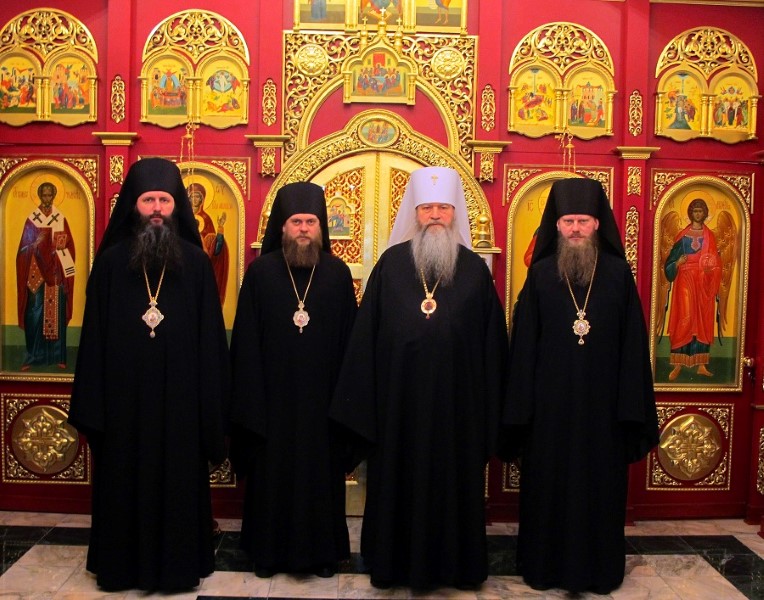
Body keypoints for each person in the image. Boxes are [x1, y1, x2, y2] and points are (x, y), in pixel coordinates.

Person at [330, 166, 508, 590]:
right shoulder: (391, 266)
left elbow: (492, 350)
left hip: (457, 412)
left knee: (453, 487)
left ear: (454, 212)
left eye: (443, 208)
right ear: (414, 212)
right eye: (427, 208)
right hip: (397, 410)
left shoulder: (474, 271)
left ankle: (455, 567)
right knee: (397, 483)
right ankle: (391, 564)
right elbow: (365, 341)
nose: (434, 216)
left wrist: (489, 414)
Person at [67, 157, 230, 592]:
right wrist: (95, 407)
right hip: (124, 408)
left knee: (179, 486)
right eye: (148, 200)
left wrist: (210, 406)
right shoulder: (109, 265)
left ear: (177, 207)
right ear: (133, 206)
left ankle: (178, 569)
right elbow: (94, 341)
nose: (157, 208)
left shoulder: (196, 264)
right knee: (123, 483)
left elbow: (211, 342)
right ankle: (120, 569)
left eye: (165, 200)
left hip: (181, 407)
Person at [502, 177, 658, 595]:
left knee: (599, 490)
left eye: (583, 221)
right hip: (549, 413)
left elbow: (633, 346)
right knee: (548, 489)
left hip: (603, 412)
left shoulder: (618, 274)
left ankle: (600, 570)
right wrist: (521, 410)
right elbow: (524, 348)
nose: (575, 228)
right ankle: (543, 568)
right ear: (556, 224)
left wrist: (629, 409)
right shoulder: (539, 275)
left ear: (597, 224)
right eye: (568, 220)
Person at [229, 181, 357, 578]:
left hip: (323, 404)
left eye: (311, 222)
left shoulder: (337, 274)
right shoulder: (261, 273)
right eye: (296, 221)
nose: (303, 229)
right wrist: (251, 399)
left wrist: (343, 402)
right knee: (272, 477)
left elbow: (350, 343)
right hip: (271, 403)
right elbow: (245, 341)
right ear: (282, 227)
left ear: (321, 228)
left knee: (321, 478)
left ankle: (323, 555)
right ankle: (267, 555)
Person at [16, 181, 75, 370]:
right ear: (40, 196)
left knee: (56, 311)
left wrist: (60, 249)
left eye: (50, 195)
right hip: (35, 273)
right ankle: (32, 357)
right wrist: (34, 244)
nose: (47, 198)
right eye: (44, 195)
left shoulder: (60, 218)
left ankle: (58, 356)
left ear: (54, 196)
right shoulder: (32, 220)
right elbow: (22, 249)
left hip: (55, 272)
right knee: (33, 313)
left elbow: (69, 248)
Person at [664, 198, 721, 381]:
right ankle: (678, 364)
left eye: (700, 211)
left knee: (702, 320)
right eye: (695, 211)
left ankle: (701, 365)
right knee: (685, 317)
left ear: (705, 213)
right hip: (685, 280)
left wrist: (710, 270)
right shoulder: (682, 235)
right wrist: (677, 263)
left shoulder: (710, 236)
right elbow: (669, 263)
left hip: (703, 283)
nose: (697, 214)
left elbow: (716, 262)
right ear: (690, 213)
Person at [187, 182, 229, 304]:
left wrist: (220, 229)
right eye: (192, 196)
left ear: (202, 199)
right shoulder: (183, 218)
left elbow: (215, 250)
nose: (195, 199)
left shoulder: (206, 219)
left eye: (197, 196)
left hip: (200, 264)